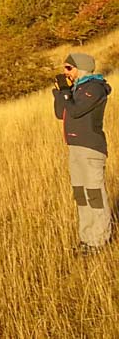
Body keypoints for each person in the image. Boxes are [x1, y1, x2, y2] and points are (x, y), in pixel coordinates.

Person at [53, 51, 112, 255]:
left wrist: (66, 93)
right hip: (75, 148)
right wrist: (60, 93)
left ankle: (99, 240)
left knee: (95, 195)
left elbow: (77, 111)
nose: (65, 72)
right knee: (81, 196)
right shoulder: (75, 89)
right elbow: (60, 113)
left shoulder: (95, 88)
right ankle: (87, 239)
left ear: (82, 68)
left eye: (69, 68)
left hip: (90, 148)